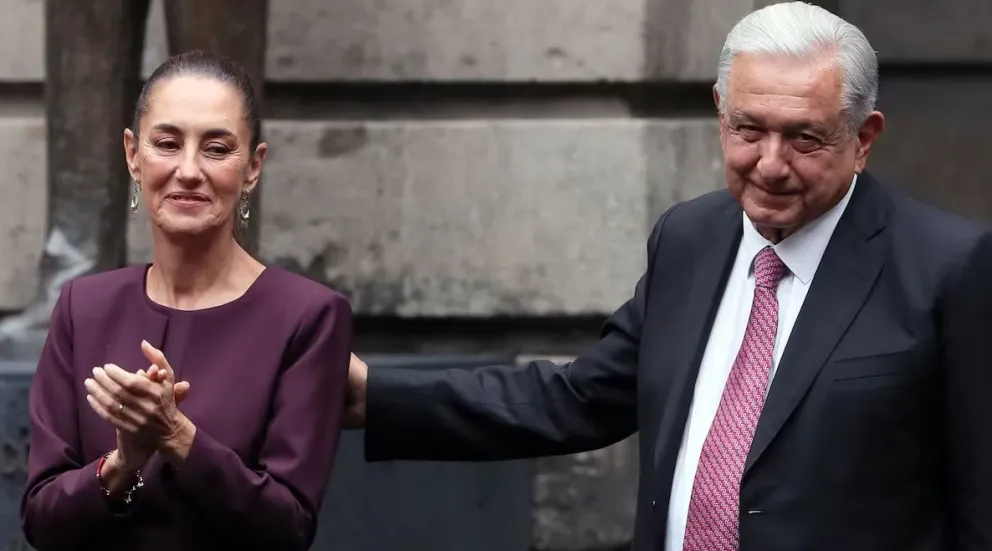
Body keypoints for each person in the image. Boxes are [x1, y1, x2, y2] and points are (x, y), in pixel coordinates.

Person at [344, 3, 992, 551]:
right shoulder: (690, 239)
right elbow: (577, 400)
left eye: (804, 138)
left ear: (864, 136)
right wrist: (374, 395)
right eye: (748, 130)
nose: (769, 164)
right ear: (720, 112)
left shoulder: (946, 268)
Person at [20, 50, 353, 551]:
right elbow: (41, 521)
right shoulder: (83, 306)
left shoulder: (307, 316)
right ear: (133, 154)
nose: (189, 170)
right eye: (167, 143)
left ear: (253, 167)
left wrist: (176, 436)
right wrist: (122, 464)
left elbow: (288, 528)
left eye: (217, 149)